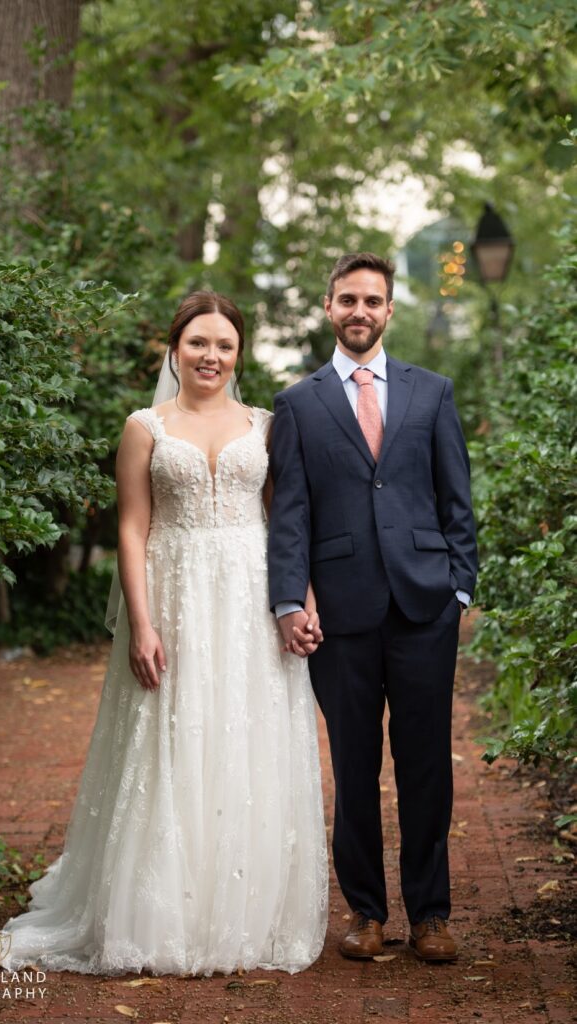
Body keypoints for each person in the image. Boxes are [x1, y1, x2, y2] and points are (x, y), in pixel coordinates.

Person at [0, 291, 328, 976]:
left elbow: (287, 525)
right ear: (174, 348)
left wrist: (301, 602)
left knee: (245, 738)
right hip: (174, 595)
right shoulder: (144, 426)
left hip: (247, 596)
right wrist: (142, 623)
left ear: (239, 355)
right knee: (171, 738)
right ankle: (162, 911)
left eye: (224, 345)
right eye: (198, 342)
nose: (210, 356)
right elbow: (132, 527)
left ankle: (242, 909)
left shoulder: (265, 425)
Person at [268, 253, 477, 962]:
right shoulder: (296, 405)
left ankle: (430, 915)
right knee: (354, 765)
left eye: (373, 300)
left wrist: (459, 588)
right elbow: (289, 513)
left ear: (389, 311)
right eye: (347, 299)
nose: (360, 311)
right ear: (327, 307)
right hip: (341, 616)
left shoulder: (432, 393)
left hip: (424, 607)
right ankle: (364, 912)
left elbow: (456, 501)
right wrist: (287, 602)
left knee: (425, 765)